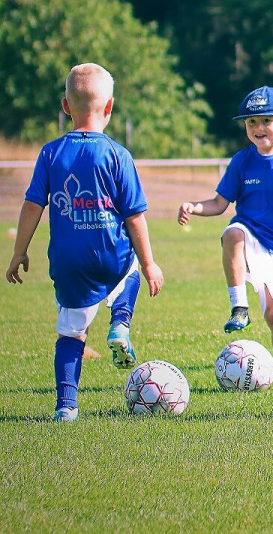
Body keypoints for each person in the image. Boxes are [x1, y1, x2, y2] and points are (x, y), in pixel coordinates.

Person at [6, 64, 165, 421]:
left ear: (66, 107)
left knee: (71, 334)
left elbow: (33, 204)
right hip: (110, 253)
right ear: (109, 107)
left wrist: (19, 252)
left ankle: (66, 407)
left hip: (68, 262)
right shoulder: (117, 154)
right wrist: (151, 261)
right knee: (133, 268)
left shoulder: (49, 153)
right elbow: (134, 215)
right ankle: (120, 324)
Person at [177, 86, 273, 390]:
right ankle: (239, 307)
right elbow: (219, 204)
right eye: (251, 123)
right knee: (232, 233)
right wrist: (194, 206)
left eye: (265, 121)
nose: (258, 128)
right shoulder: (242, 161)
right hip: (249, 233)